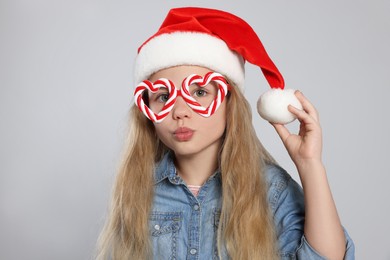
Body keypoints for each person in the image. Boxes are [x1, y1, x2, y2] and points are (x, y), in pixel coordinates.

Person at [97, 7, 354, 260]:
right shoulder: (138, 188)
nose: (179, 112)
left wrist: (310, 165)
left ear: (229, 103)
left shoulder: (269, 188)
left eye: (199, 93)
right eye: (163, 96)